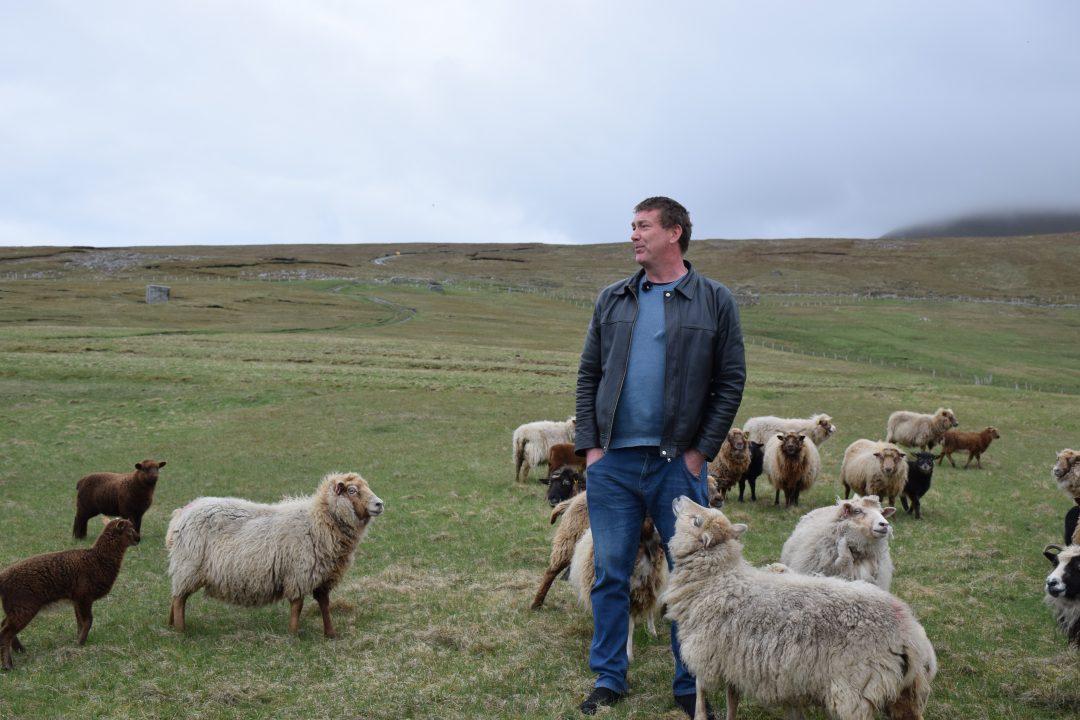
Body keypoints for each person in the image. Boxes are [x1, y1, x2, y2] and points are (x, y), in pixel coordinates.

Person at [574, 196, 746, 718]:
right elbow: (588, 375)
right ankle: (608, 676)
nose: (633, 235)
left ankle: (689, 684)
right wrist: (593, 450)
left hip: (678, 463)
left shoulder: (714, 300)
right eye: (632, 226)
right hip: (614, 464)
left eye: (643, 226)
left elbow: (730, 380)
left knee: (689, 573)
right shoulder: (614, 298)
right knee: (610, 570)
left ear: (674, 233)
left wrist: (700, 454)